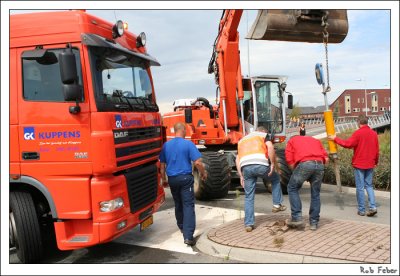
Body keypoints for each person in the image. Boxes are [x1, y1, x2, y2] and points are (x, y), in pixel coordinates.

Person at [159, 122, 207, 246]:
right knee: (188, 206)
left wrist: (163, 179)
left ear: (174, 131)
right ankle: (188, 236)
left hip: (172, 179)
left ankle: (181, 226)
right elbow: (197, 162)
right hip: (185, 179)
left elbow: (162, 165)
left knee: (178, 204)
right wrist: (203, 173)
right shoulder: (188, 144)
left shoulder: (166, 145)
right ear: (184, 130)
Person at [235, 126, 286, 232]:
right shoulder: (263, 135)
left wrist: (241, 175)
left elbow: (237, 158)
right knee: (275, 178)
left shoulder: (242, 140)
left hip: (246, 168)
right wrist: (272, 164)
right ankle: (277, 204)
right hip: (260, 165)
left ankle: (249, 224)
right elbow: (270, 147)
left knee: (249, 197)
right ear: (263, 131)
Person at [328, 114, 379, 217]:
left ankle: (361, 210)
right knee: (369, 186)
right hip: (370, 164)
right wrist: (376, 162)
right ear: (366, 122)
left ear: (359, 122)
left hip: (359, 164)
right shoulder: (374, 134)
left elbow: (348, 144)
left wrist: (335, 139)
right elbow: (377, 151)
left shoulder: (358, 133)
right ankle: (373, 207)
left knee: (360, 187)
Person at [285, 135, 328, 231]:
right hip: (320, 164)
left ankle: (296, 217)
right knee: (315, 194)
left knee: (292, 188)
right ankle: (314, 223)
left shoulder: (291, 141)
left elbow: (289, 160)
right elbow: (326, 158)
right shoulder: (315, 140)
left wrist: (297, 172)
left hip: (305, 163)